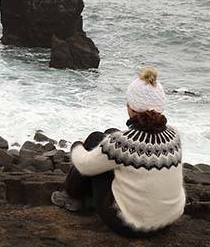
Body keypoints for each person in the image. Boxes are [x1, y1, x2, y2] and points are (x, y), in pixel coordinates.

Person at [51, 67, 185, 236]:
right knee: (109, 136)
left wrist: (77, 145)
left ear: (131, 107)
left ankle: (72, 196)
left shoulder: (122, 144)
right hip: (166, 222)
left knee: (95, 139)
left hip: (129, 225)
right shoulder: (174, 136)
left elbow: (84, 165)